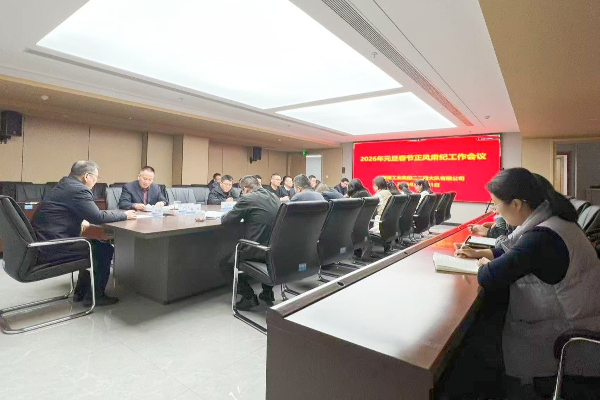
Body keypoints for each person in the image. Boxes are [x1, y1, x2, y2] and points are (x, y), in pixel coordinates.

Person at [453, 168, 600, 398]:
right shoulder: (554, 222)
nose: (495, 211)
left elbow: (490, 276)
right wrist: (482, 254)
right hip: (573, 321)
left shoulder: (543, 237)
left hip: (567, 341)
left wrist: (484, 264)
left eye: (496, 205)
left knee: (472, 349)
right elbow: (514, 251)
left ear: (516, 205)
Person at [31, 161, 137, 306]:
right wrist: (125, 215)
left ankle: (81, 292)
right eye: (96, 177)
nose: (96, 182)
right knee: (103, 249)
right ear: (87, 176)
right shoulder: (79, 190)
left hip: (43, 242)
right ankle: (95, 296)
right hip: (54, 246)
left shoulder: (65, 184)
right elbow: (98, 217)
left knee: (92, 245)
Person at [220, 175, 279, 310]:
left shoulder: (248, 198)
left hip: (256, 249)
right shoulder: (274, 197)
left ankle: (248, 297)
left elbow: (227, 221)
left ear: (246, 189)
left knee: (226, 265)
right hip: (273, 249)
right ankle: (267, 293)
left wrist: (224, 215)